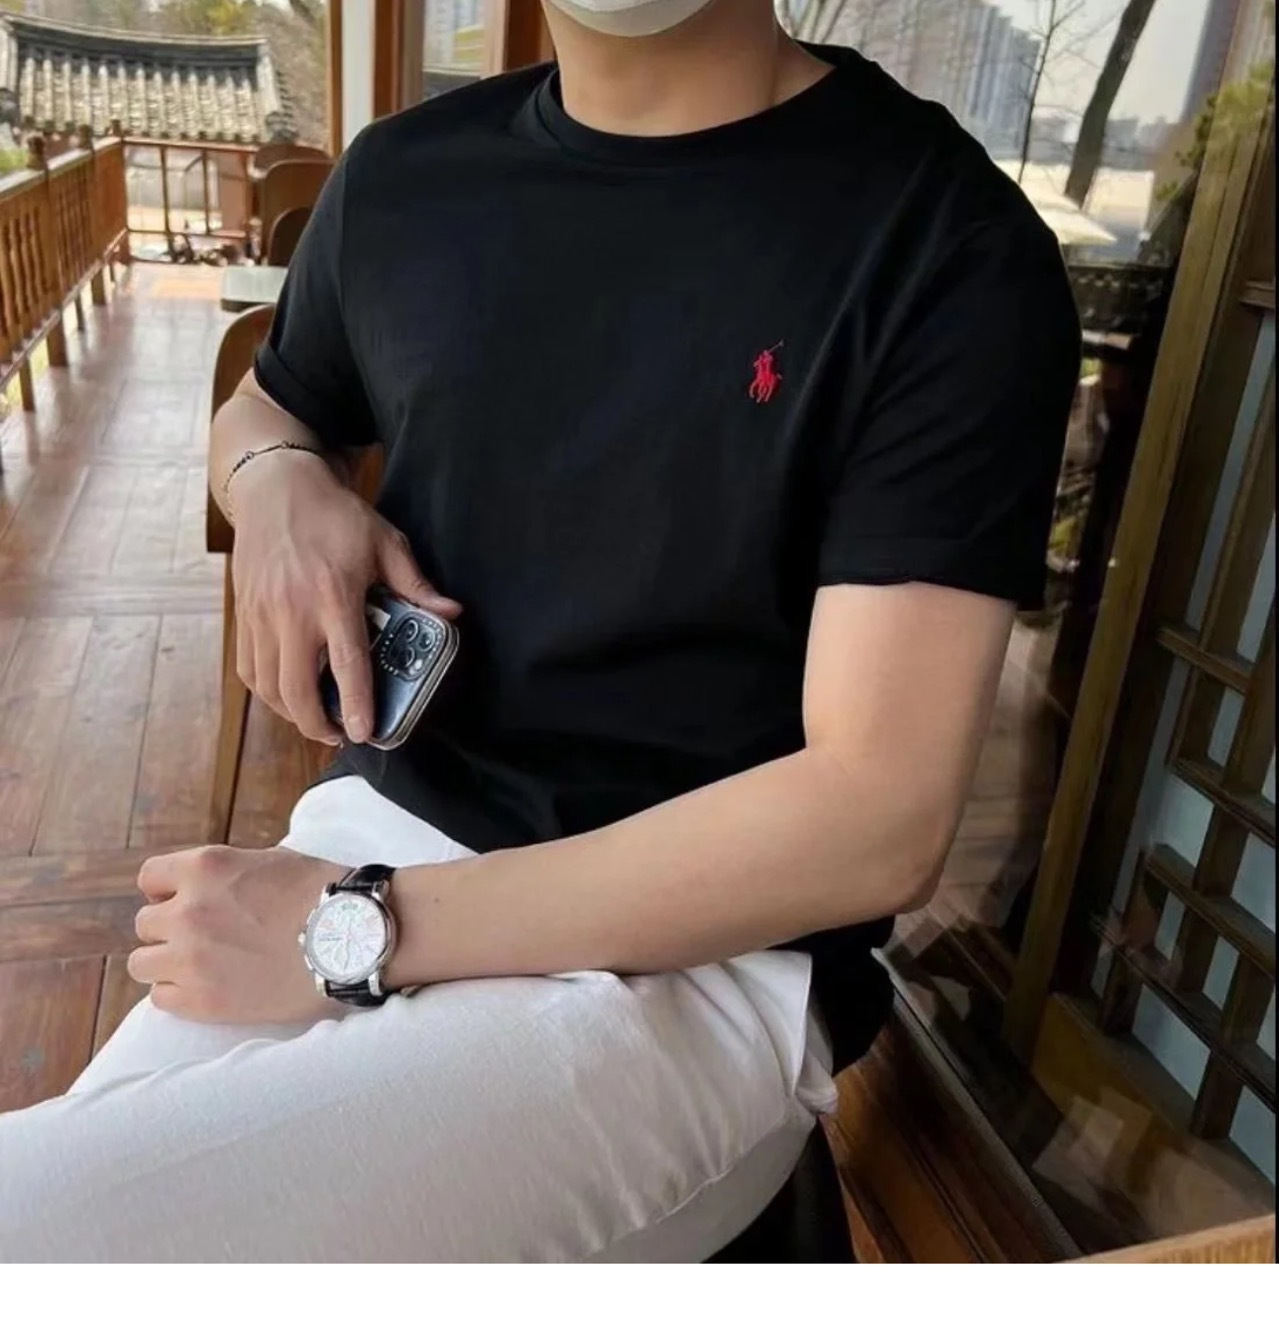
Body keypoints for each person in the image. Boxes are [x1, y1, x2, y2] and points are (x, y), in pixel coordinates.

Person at [0, 0, 1080, 1262]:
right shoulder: (405, 177)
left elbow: (876, 815)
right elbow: (269, 404)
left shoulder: (942, 248)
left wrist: (363, 926)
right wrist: (277, 486)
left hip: (703, 961)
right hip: (381, 834)